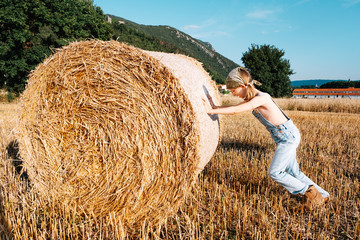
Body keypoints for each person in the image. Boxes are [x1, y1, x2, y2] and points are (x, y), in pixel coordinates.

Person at [202, 67, 330, 210]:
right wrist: (215, 106)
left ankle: (310, 194)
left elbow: (236, 110)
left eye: (234, 91)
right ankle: (323, 195)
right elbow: (236, 106)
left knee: (275, 172)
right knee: (294, 172)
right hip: (285, 136)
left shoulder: (262, 97)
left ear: (243, 86)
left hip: (287, 137)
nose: (234, 94)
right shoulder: (253, 98)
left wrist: (211, 110)